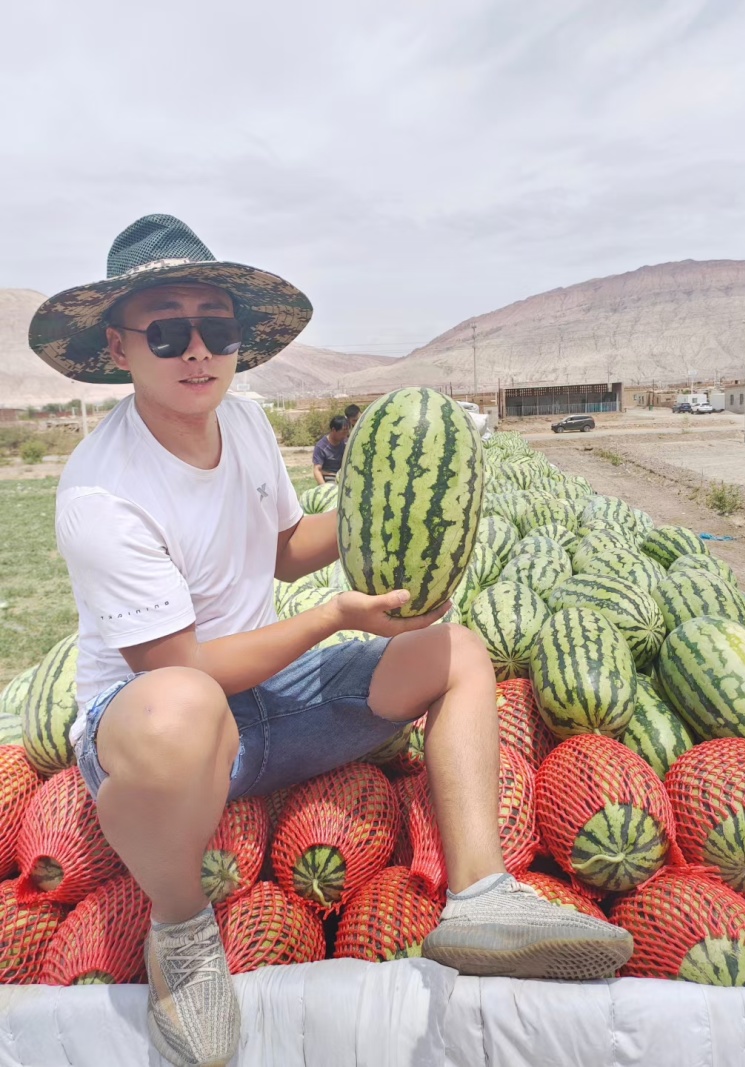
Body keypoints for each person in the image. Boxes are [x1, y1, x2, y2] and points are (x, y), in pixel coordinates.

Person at [29, 214, 633, 1067]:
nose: (197, 349)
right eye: (168, 330)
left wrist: (397, 502)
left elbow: (281, 549)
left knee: (457, 653)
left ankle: (482, 895)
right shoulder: (102, 493)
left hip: (270, 706)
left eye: (219, 327)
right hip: (155, 731)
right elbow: (183, 669)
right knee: (183, 709)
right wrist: (333, 617)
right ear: (119, 348)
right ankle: (181, 933)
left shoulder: (241, 427)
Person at [311, 414, 349, 484]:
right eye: (343, 432)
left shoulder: (346, 442)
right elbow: (317, 470)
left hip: (344, 477)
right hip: (329, 478)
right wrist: (324, 488)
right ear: (333, 430)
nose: (345, 436)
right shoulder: (321, 447)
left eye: (347, 433)